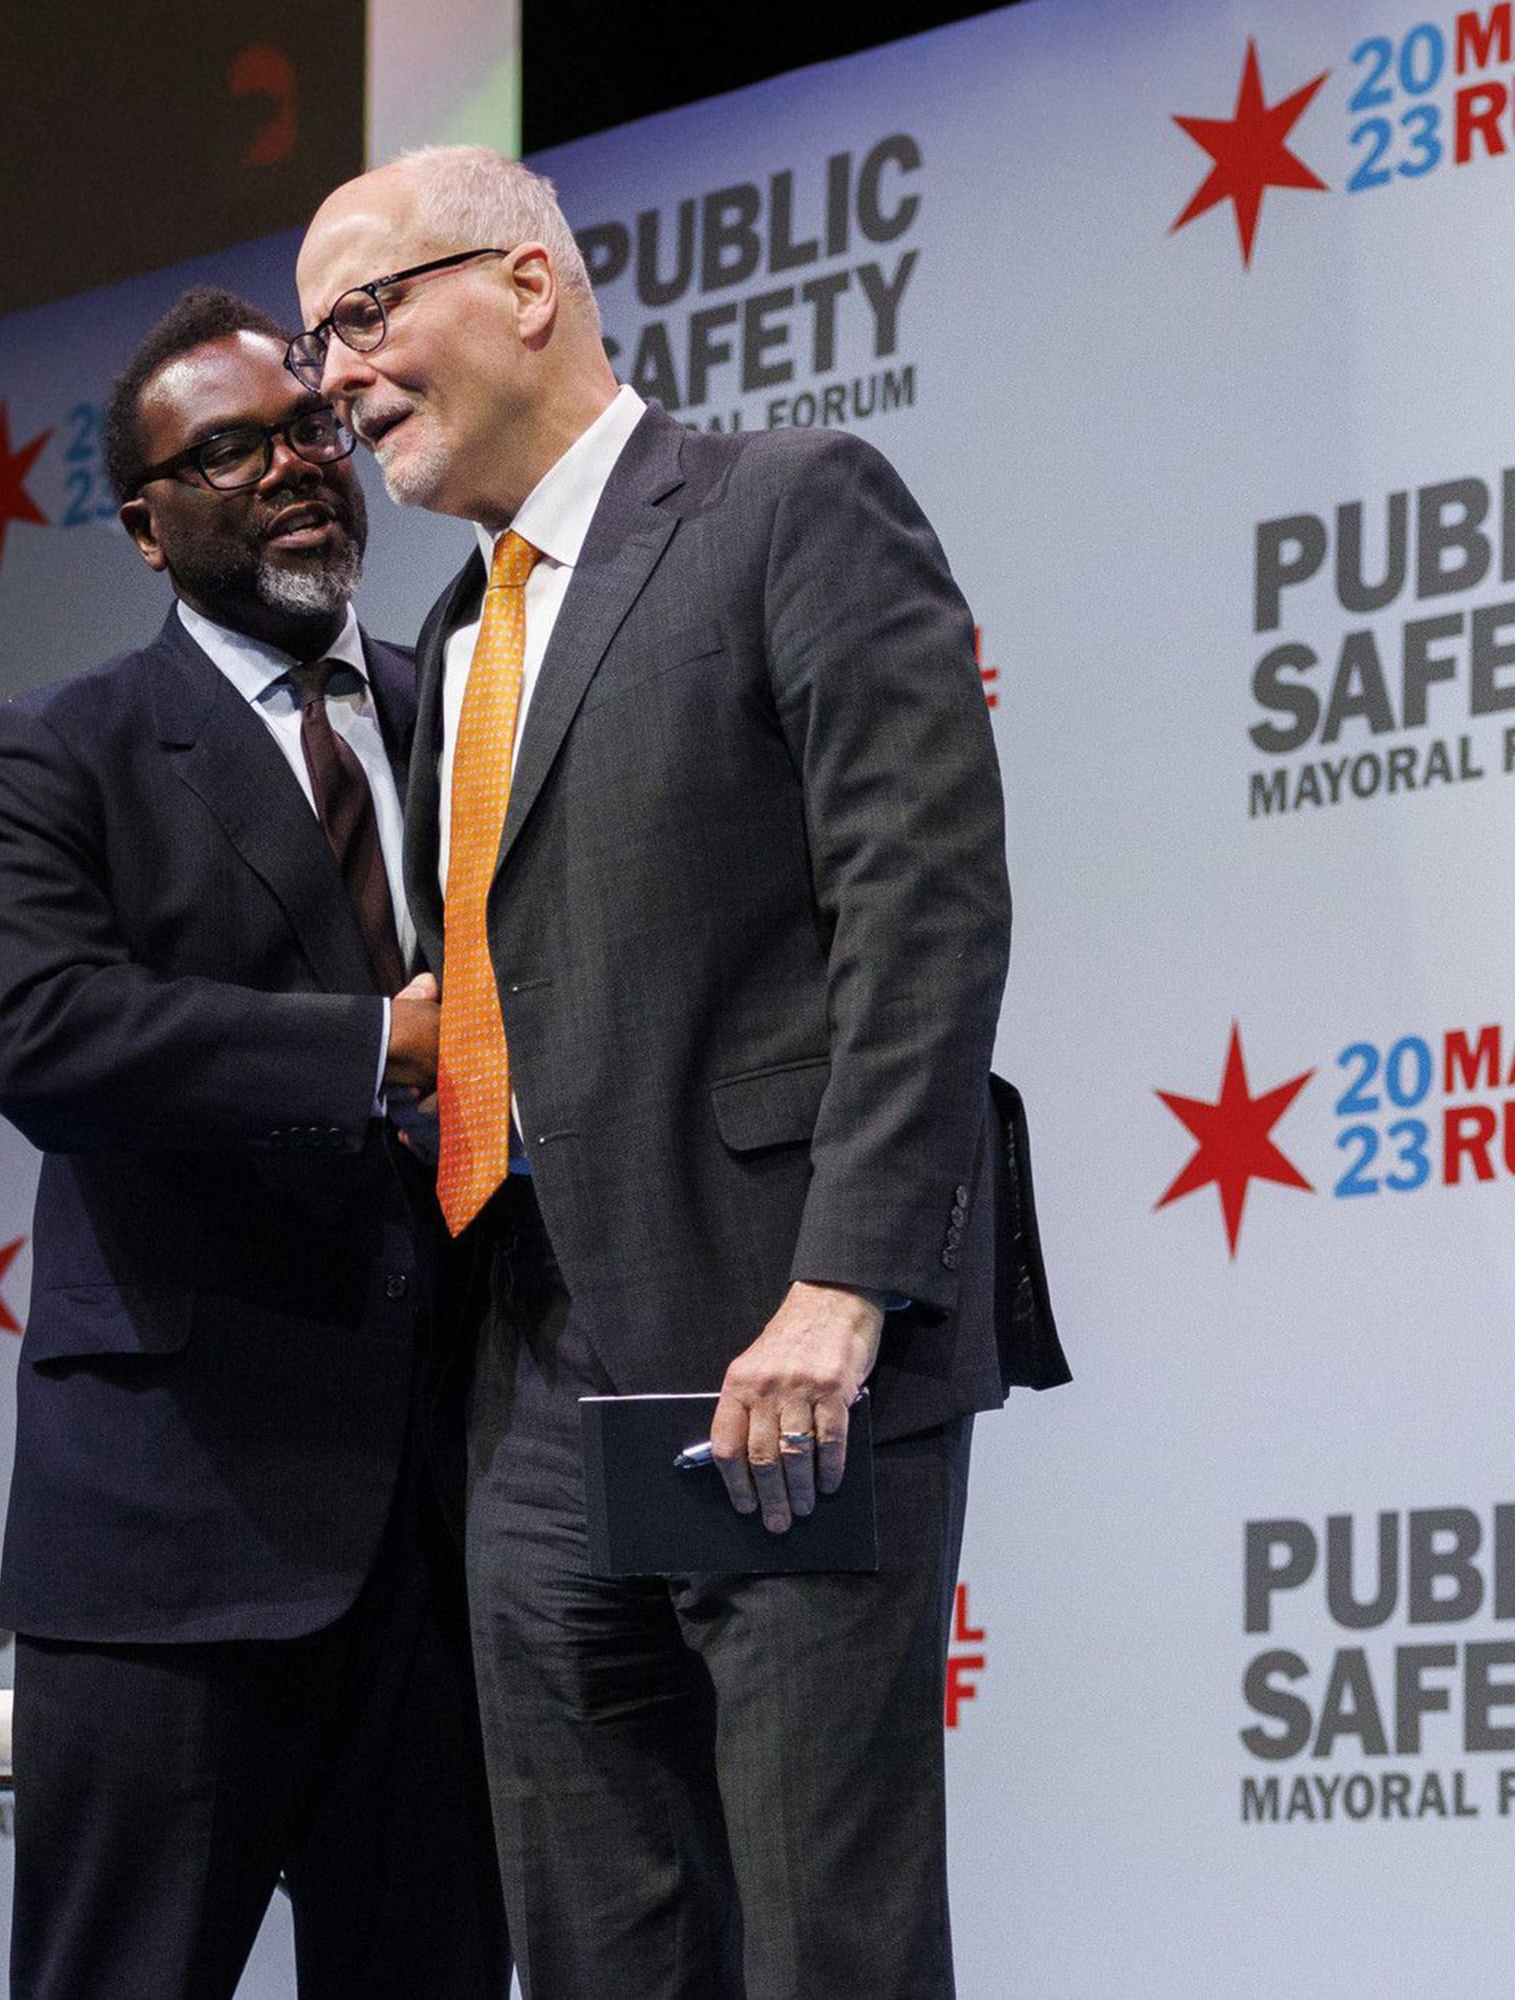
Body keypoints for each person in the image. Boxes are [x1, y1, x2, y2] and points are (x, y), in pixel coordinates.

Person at [293, 147, 1068, 1998]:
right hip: (532, 1380)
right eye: (322, 338)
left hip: (778, 1353)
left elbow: (926, 906)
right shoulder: (457, 639)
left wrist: (845, 1282)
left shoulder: (790, 507)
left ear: (528, 284)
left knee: (825, 1940)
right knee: (597, 1950)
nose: (335, 373)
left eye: (366, 312)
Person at [0, 287, 510, 2000]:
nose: (293, 468)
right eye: (231, 451)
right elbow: (48, 1035)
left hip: (454, 1539)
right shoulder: (58, 751)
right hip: (174, 1550)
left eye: (315, 429)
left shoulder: (471, 722)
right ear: (143, 525)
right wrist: (373, 1044)